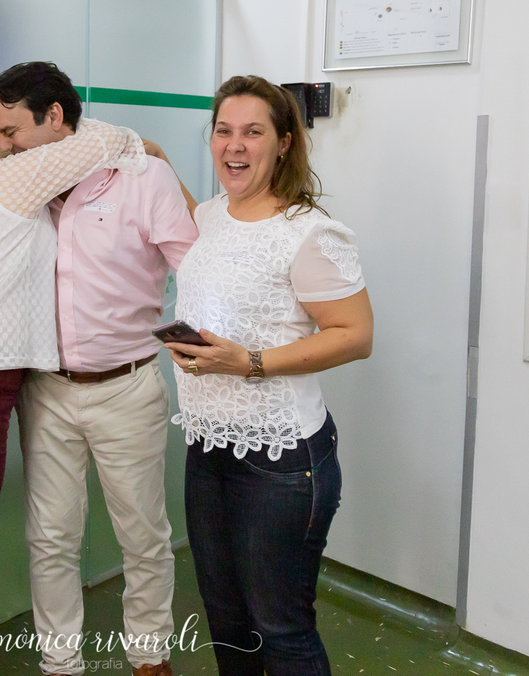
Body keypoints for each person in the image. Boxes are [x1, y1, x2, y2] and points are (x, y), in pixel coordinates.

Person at [0, 62, 198, 676]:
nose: (2, 145)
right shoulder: (20, 184)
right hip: (43, 391)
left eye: (11, 131)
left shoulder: (140, 178)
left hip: (125, 385)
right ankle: (59, 664)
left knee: (143, 537)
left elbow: (197, 265)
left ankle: (149, 659)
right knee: (50, 540)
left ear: (55, 118)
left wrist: (209, 348)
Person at [161, 75, 374, 676]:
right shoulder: (208, 217)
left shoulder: (309, 232)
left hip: (281, 461)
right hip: (209, 448)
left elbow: (356, 334)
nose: (235, 144)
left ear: (284, 142)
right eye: (223, 131)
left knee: (280, 628)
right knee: (227, 622)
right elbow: (202, 237)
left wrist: (248, 361)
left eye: (253, 132)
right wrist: (148, 161)